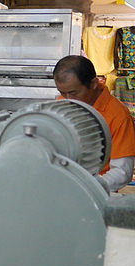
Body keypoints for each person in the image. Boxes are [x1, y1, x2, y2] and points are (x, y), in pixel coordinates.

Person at [53, 55, 135, 192]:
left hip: (96, 192)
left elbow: (122, 172)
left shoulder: (119, 115)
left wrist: (88, 187)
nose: (68, 99)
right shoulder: (61, 104)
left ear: (94, 84)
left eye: (73, 93)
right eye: (62, 93)